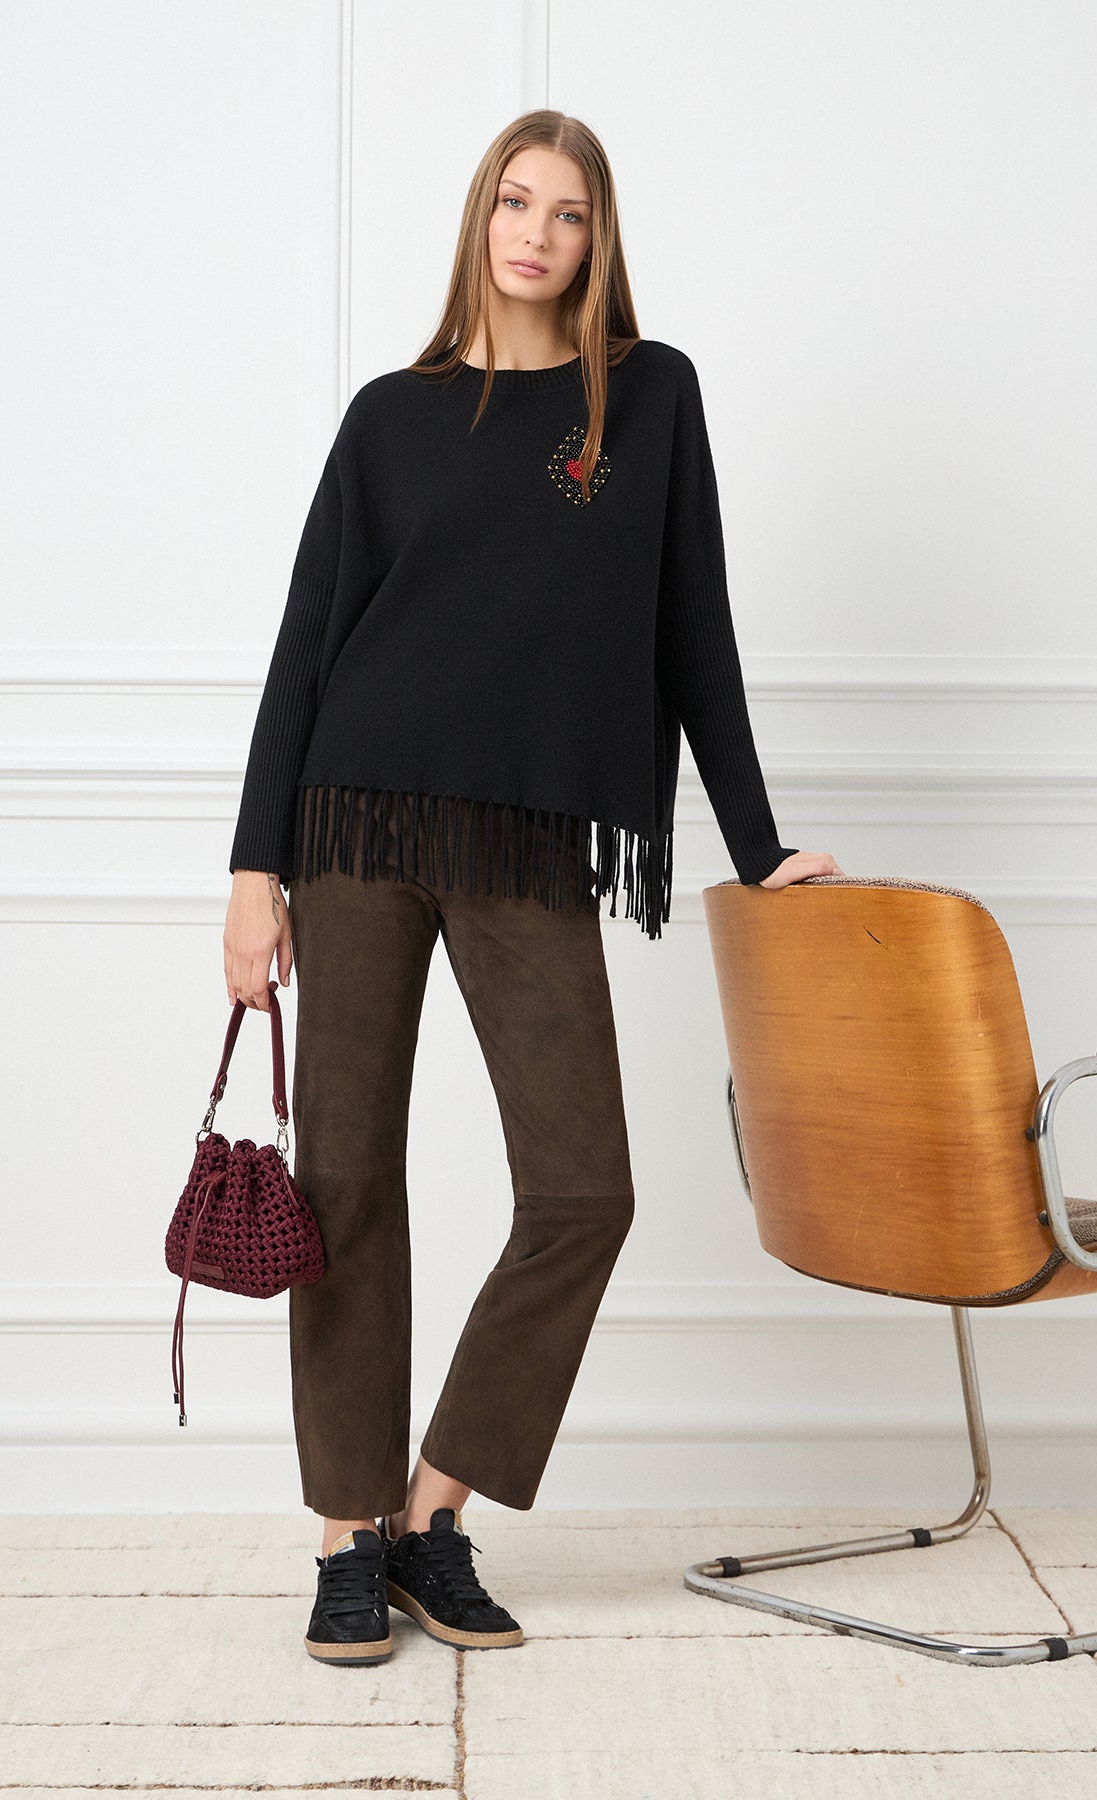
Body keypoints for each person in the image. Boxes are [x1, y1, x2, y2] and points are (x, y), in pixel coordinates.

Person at [223, 108, 844, 1666]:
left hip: (524, 845)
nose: (537, 234)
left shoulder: (650, 397)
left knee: (582, 1192)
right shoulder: (390, 417)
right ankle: (346, 1536)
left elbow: (693, 629)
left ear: (597, 238)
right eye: (516, 202)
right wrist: (252, 868)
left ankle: (428, 1512)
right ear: (479, 217)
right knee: (346, 1183)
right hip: (355, 824)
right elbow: (306, 645)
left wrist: (757, 845)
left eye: (569, 213)